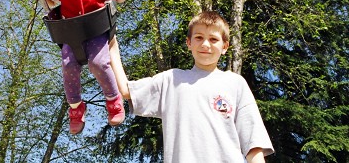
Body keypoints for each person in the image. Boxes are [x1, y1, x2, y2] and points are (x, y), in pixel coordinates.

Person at [110, 11, 275, 162]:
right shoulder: (171, 80)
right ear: (188, 43)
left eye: (213, 39)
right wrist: (111, 44)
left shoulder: (235, 83)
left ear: (224, 47)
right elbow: (126, 90)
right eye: (198, 37)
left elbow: (253, 143)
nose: (205, 44)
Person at [31, 0, 128, 135]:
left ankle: (113, 99)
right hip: (71, 33)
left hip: (97, 30)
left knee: (99, 63)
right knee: (68, 66)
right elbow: (49, 1)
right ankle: (75, 108)